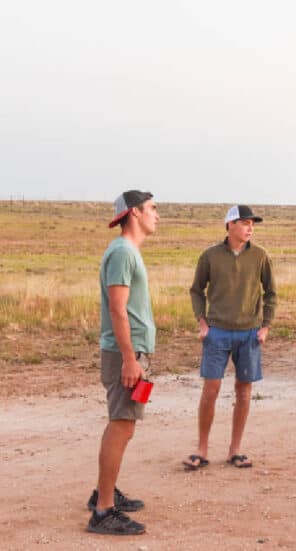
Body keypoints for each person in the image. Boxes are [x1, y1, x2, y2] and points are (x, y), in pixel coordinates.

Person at [87, 190, 159, 535]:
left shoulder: (128, 252)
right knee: (121, 424)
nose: (157, 215)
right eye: (152, 208)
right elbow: (117, 309)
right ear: (135, 212)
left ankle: (105, 491)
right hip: (124, 356)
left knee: (127, 424)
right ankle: (103, 510)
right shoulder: (121, 252)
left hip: (135, 355)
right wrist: (130, 360)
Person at [184, 205, 276, 470]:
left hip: (250, 334)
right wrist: (202, 322)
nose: (250, 228)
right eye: (245, 223)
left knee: (244, 392)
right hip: (218, 333)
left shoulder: (260, 256)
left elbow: (271, 293)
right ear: (230, 225)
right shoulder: (210, 256)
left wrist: (266, 326)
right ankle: (201, 449)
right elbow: (195, 290)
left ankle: (235, 450)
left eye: (252, 224)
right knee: (210, 390)